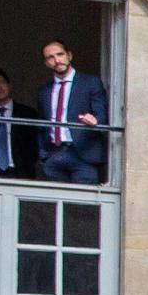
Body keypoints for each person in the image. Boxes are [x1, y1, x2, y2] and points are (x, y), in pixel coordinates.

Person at [34, 38, 111, 185]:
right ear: (46, 63)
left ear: (69, 55)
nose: (57, 60)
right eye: (51, 57)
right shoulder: (44, 91)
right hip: (53, 154)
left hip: (83, 154)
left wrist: (95, 121)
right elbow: (42, 125)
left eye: (60, 54)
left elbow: (102, 115)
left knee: (82, 204)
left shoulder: (90, 83)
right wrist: (44, 155)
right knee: (53, 203)